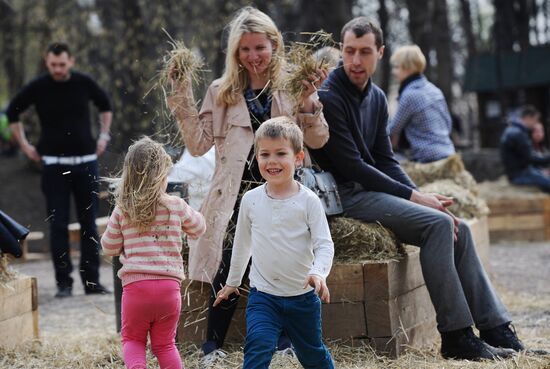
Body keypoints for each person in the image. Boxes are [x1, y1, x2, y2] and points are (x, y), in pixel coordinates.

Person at [310, 17, 523, 361]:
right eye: (349, 51)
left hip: (370, 190)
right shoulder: (330, 96)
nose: (355, 61)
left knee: (459, 228)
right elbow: (354, 167)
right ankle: (456, 336)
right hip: (345, 195)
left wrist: (423, 197)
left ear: (380, 53)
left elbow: (386, 158)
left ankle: (497, 328)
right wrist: (417, 198)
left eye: (365, 52)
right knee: (437, 225)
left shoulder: (377, 98)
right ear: (342, 52)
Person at [167, 6, 329, 364]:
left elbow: (316, 141)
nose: (253, 57)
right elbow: (197, 144)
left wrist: (309, 101)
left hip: (284, 192)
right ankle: (213, 346)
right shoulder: (221, 92)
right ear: (235, 53)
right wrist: (180, 94)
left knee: (287, 260)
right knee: (228, 266)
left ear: (274, 45)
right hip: (236, 195)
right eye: (245, 49)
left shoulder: (291, 84)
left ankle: (286, 343)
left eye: (260, 48)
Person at [214, 117, 334, 369]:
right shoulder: (251, 200)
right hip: (263, 296)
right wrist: (232, 282)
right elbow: (242, 245)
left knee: (311, 354)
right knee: (257, 346)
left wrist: (318, 273)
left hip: (302, 297)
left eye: (281, 153)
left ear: (298, 158)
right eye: (265, 154)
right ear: (256, 158)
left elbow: (324, 244)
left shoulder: (309, 201)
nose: (272, 161)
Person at [6, 42, 113, 298]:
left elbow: (105, 105)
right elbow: (12, 112)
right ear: (47, 62)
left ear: (71, 61)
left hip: (86, 162)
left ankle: (92, 282)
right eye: (53, 65)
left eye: (62, 64)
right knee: (58, 224)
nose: (57, 69)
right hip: (53, 165)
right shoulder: (39, 86)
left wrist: (104, 137)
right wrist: (24, 145)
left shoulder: (84, 83)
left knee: (89, 223)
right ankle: (63, 283)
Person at [101, 137, 206, 369]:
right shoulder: (175, 205)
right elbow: (199, 227)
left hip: (136, 289)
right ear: (162, 176)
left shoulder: (123, 210)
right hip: (169, 290)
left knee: (133, 340)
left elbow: (108, 247)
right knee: (165, 345)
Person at [387, 45, 455, 163]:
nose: (393, 72)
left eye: (397, 67)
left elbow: (393, 129)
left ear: (407, 68)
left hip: (427, 157)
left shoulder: (410, 95)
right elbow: (448, 125)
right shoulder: (435, 90)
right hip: (448, 154)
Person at [500, 106, 550, 192]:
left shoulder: (513, 130)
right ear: (528, 118)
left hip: (518, 172)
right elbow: (530, 158)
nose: (535, 123)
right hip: (519, 175)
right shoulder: (517, 133)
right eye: (535, 120)